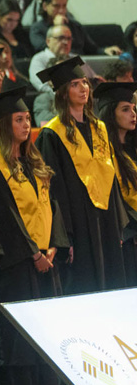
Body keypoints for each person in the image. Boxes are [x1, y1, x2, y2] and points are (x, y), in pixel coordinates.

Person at [0, 86, 65, 385]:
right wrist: (32, 253)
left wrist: (54, 245)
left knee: (42, 337)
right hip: (13, 266)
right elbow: (1, 217)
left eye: (27, 118)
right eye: (18, 119)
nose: (26, 125)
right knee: (17, 341)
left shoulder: (33, 162)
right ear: (2, 124)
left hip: (43, 262)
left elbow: (51, 207)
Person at [34, 57, 127, 296]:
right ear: (63, 92)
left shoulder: (100, 128)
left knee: (112, 284)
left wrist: (118, 225)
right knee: (85, 285)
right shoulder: (52, 134)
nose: (83, 88)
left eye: (84, 82)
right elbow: (54, 189)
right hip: (78, 220)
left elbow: (111, 178)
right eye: (75, 84)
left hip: (105, 219)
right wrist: (66, 237)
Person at [93, 82, 137, 285]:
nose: (133, 114)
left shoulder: (131, 148)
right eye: (126, 109)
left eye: (134, 109)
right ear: (111, 113)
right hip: (126, 236)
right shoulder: (104, 152)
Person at [28, 0, 120, 57]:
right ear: (45, 6)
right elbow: (48, 50)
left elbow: (91, 49)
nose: (61, 10)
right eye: (56, 6)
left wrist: (105, 50)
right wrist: (59, 27)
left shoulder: (75, 25)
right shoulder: (37, 28)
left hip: (81, 65)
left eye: (64, 6)